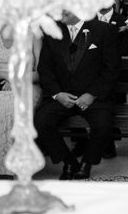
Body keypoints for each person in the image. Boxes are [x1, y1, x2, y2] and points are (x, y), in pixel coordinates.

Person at [34, 12, 120, 180]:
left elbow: (111, 69)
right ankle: (69, 162)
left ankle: (86, 163)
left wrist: (92, 95)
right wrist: (58, 94)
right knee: (41, 121)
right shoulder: (53, 32)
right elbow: (45, 70)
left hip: (94, 97)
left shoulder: (105, 30)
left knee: (102, 124)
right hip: (62, 95)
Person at [0, 29, 42, 176]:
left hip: (27, 84)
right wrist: (6, 75)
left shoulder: (35, 34)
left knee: (14, 108)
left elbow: (41, 72)